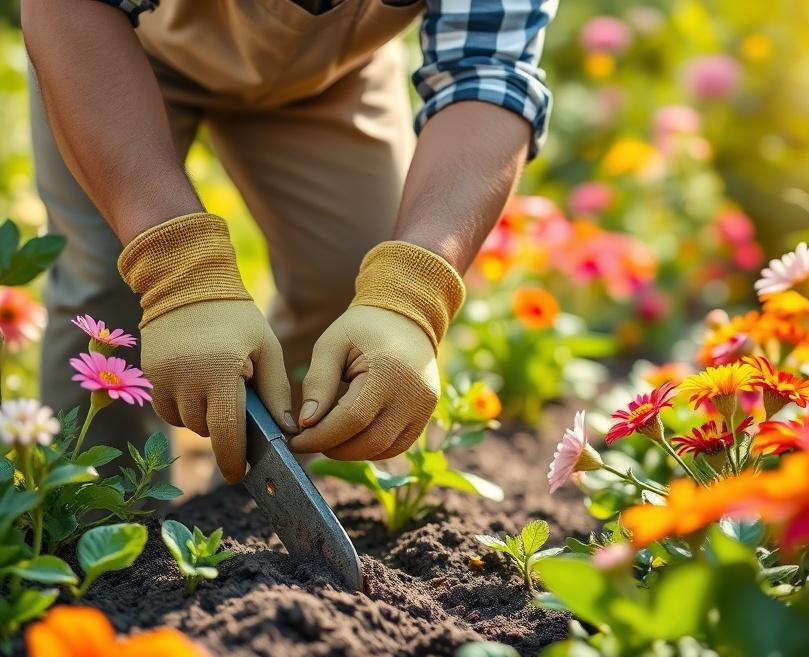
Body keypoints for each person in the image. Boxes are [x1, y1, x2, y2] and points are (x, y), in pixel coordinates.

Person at [21, 0, 556, 482]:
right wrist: (177, 270)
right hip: (122, 50)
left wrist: (414, 293)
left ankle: (254, 502)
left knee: (352, 284)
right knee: (107, 283)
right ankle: (91, 520)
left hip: (326, 78)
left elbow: (489, 69)